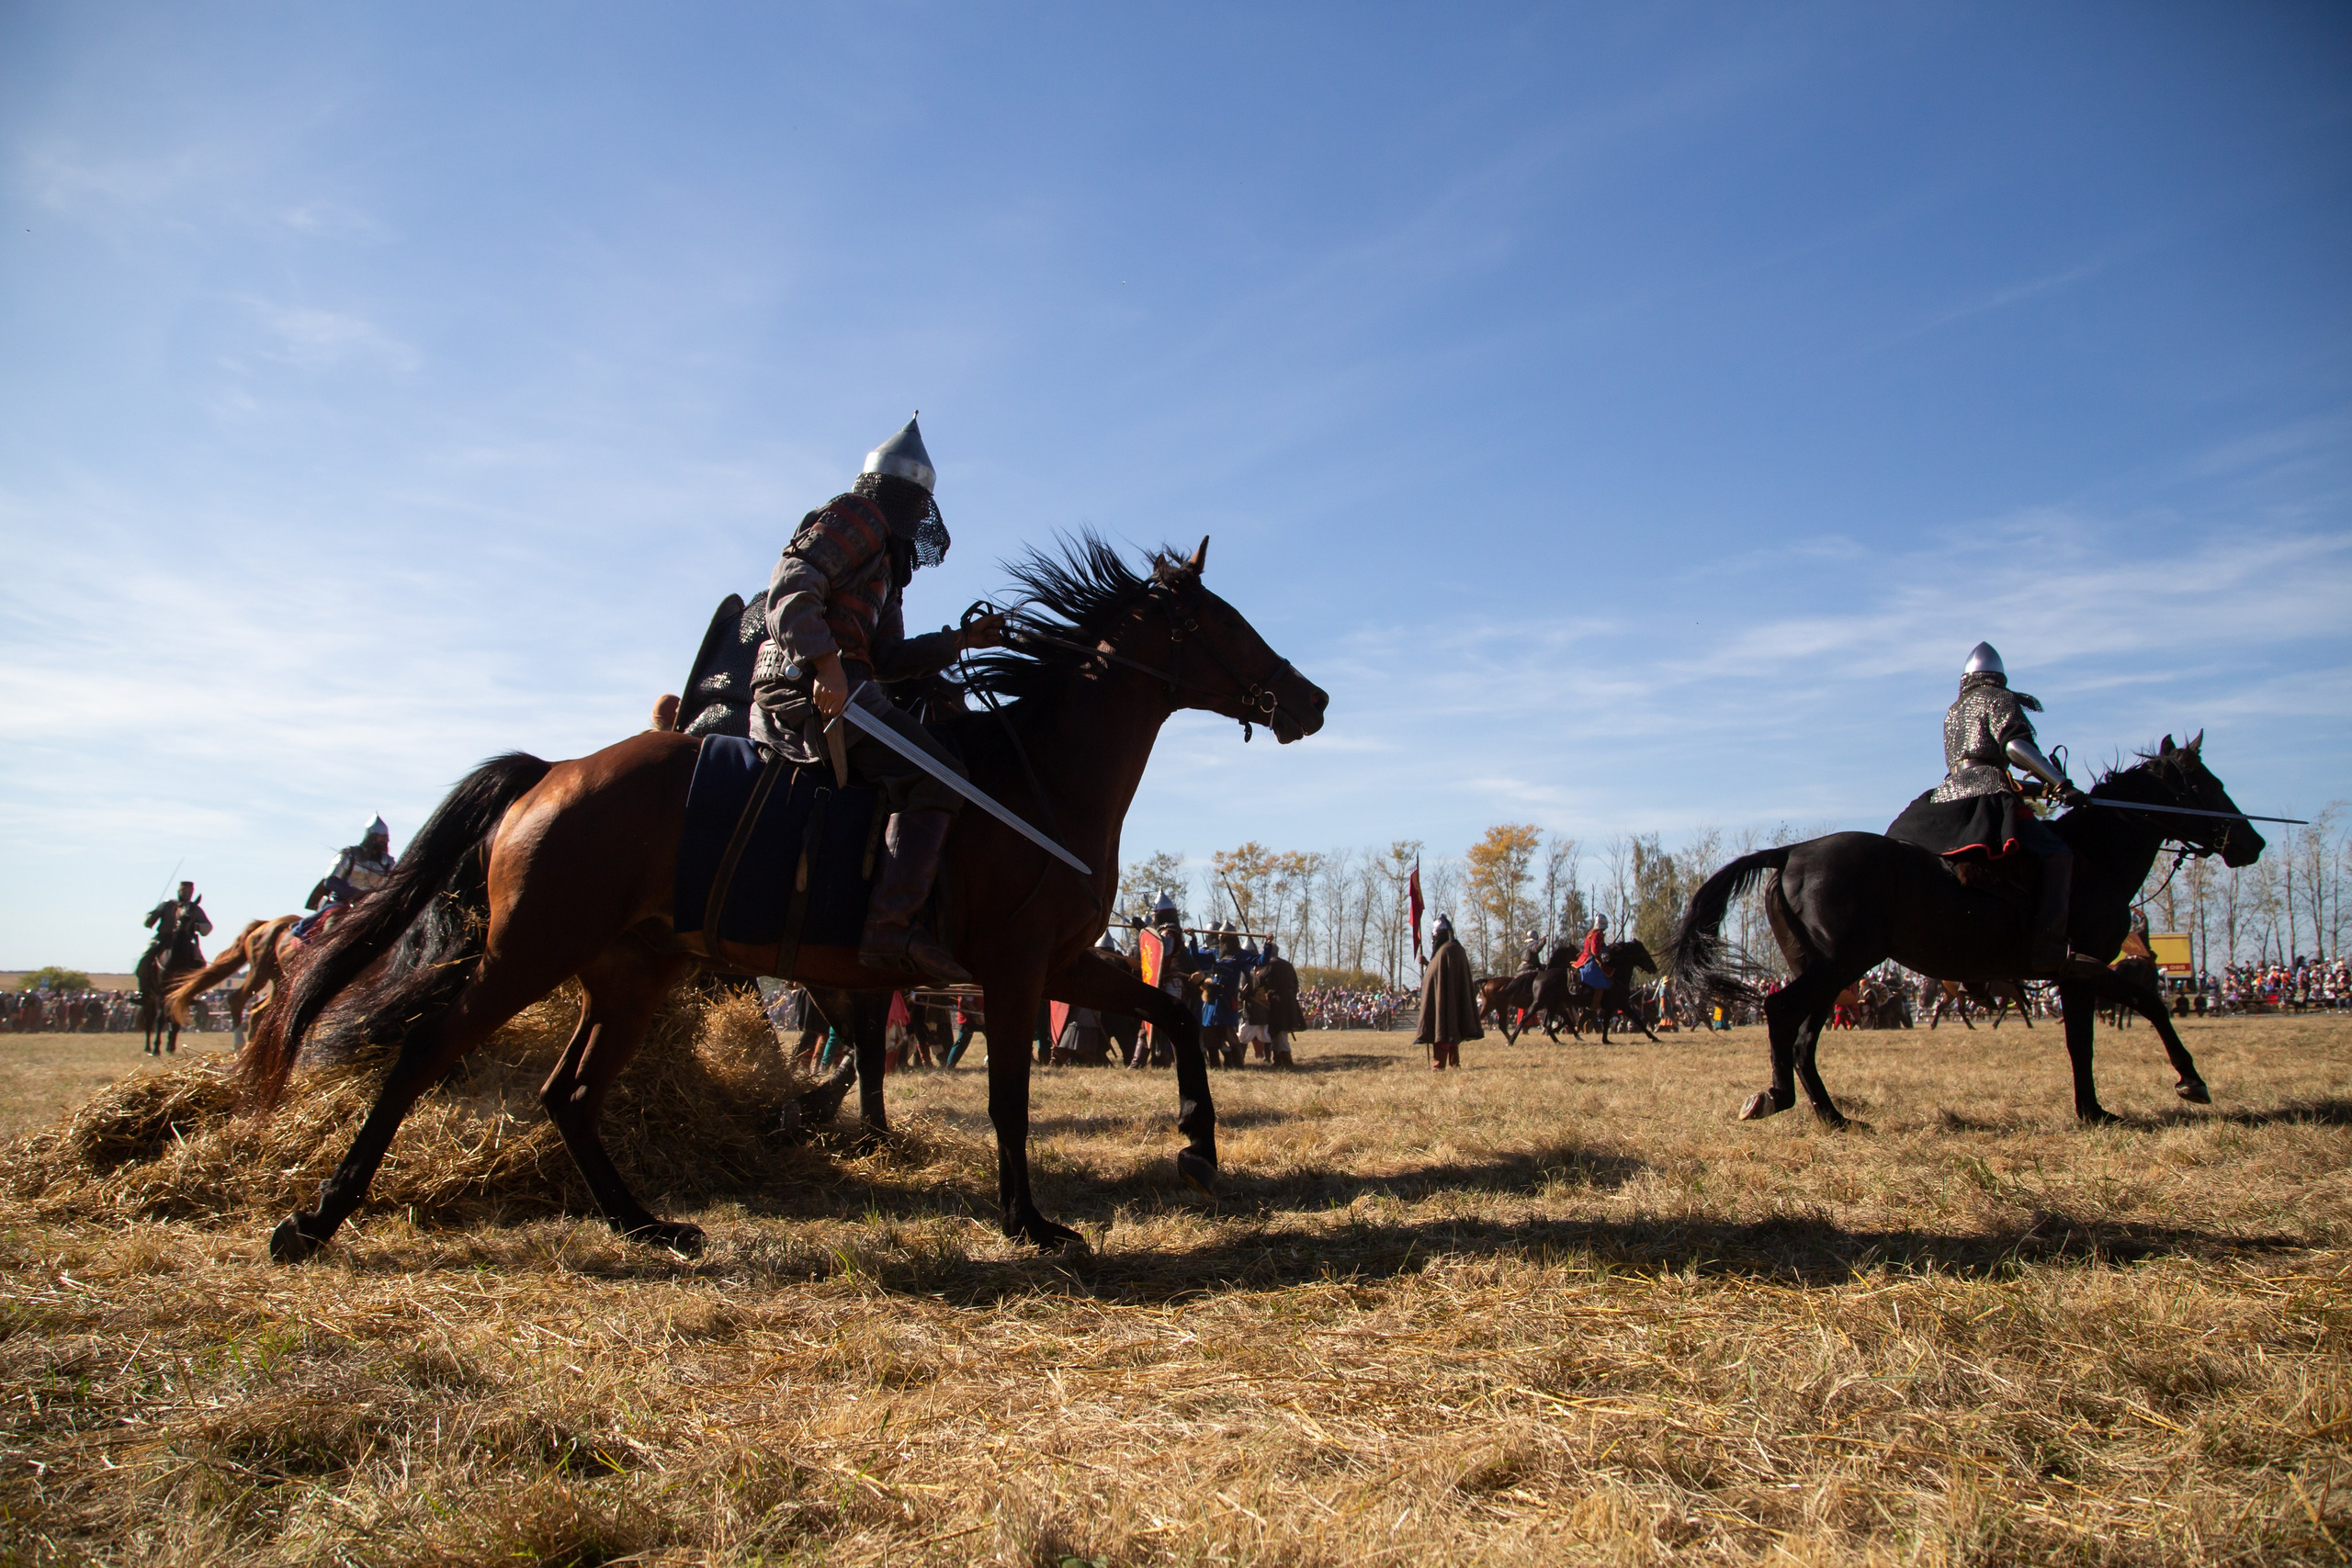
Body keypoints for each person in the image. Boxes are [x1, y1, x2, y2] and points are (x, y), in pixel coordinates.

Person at [747, 414, 1008, 985]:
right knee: (941, 777)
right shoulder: (856, 515)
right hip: (803, 686)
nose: (917, 513)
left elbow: (887, 657)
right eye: (915, 502)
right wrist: (824, 663)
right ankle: (889, 929)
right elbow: (792, 581)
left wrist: (961, 641)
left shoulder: (887, 565)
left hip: (850, 690)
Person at [1889, 642, 2086, 971]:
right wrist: (2060, 782)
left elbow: (1975, 762)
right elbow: (2013, 746)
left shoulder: (1955, 709)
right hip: (1987, 793)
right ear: (1998, 676)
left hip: (1949, 794)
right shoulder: (1999, 697)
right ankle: (2048, 944)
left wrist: (2040, 789)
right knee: (2057, 853)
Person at [1414, 913, 1482, 1069]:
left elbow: (1440, 973)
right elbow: (1440, 971)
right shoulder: (1455, 949)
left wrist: (1428, 965)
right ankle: (1454, 1062)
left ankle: (1439, 1064)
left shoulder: (1446, 951)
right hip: (1450, 996)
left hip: (1445, 999)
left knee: (1444, 1029)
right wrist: (1428, 964)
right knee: (1452, 1027)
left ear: (1438, 935)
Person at [1197, 924, 1248, 1068]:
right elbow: (1196, 957)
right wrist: (1193, 939)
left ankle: (1237, 1064)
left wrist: (1267, 946)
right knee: (1209, 1032)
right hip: (1211, 997)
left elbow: (1258, 963)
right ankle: (1215, 1064)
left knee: (1229, 1032)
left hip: (1226, 998)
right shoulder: (1213, 953)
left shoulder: (1238, 955)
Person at [1257, 938, 1307, 1067]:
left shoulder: (1268, 965)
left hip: (1277, 1002)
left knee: (1280, 1032)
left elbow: (1258, 981)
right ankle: (1278, 1060)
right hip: (1289, 1001)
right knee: (1277, 1031)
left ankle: (1286, 1061)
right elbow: (1295, 984)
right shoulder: (1288, 965)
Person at [1576, 913, 1611, 989]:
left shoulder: (1594, 932)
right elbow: (1595, 952)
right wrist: (1608, 948)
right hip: (1590, 960)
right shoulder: (1596, 935)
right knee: (1601, 982)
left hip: (1587, 957)